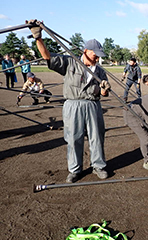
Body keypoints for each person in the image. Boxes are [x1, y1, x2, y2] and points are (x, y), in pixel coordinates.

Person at [27, 19, 111, 183]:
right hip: (73, 105)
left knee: (97, 137)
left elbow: (103, 94)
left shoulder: (100, 71)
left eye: (99, 56)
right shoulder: (70, 62)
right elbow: (48, 57)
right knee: (73, 137)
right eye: (95, 55)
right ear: (86, 51)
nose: (97, 59)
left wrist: (104, 89)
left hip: (93, 105)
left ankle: (99, 166)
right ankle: (75, 169)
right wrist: (38, 37)